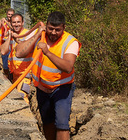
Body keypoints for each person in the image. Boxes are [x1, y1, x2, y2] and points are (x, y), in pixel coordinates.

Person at [16, 11, 80, 140]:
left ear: (64, 28)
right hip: (42, 88)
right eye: (51, 29)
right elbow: (19, 53)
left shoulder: (70, 41)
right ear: (46, 25)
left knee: (62, 124)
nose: (53, 33)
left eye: (58, 30)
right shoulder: (40, 35)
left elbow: (68, 67)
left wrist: (47, 52)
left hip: (61, 88)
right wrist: (38, 34)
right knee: (47, 122)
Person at [0, 13, 37, 101]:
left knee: (22, 98)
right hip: (14, 74)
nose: (16, 24)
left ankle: (26, 114)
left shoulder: (28, 34)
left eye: (18, 22)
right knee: (14, 99)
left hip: (25, 74)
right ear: (11, 24)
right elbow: (3, 51)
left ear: (23, 22)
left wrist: (17, 39)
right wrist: (9, 37)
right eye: (14, 22)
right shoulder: (11, 35)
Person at [0, 8, 14, 75]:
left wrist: (6, 22)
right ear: (6, 14)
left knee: (12, 64)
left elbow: (12, 28)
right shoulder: (4, 23)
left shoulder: (14, 23)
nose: (10, 16)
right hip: (3, 46)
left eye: (11, 14)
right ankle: (7, 76)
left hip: (12, 46)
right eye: (9, 14)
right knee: (5, 64)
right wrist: (0, 24)